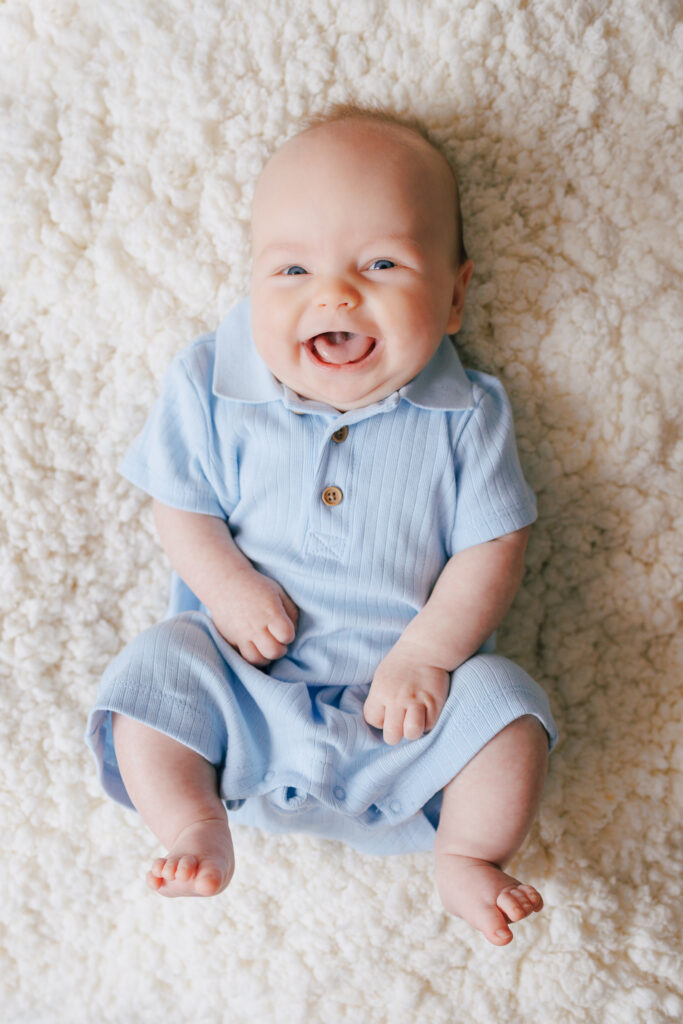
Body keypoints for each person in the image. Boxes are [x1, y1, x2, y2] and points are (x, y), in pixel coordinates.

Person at [86, 104, 557, 946]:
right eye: (292, 271)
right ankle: (195, 823)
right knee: (151, 671)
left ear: (454, 296)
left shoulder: (465, 412)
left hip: (411, 713)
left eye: (381, 263)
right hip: (245, 695)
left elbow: (493, 546)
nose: (334, 293)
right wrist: (227, 591)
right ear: (252, 283)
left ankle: (466, 855)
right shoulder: (211, 381)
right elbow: (178, 502)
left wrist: (426, 654)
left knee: (512, 707)